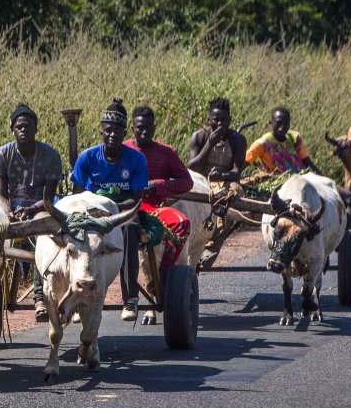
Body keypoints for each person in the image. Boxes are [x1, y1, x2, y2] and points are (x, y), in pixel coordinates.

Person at [70, 97, 149, 320]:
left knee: (131, 230)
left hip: (122, 214)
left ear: (125, 134)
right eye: (108, 130)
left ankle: (130, 300)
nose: (113, 135)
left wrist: (110, 211)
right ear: (101, 132)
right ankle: (75, 300)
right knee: (73, 238)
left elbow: (135, 200)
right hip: (88, 213)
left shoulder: (137, 159)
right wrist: (93, 213)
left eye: (118, 131)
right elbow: (77, 196)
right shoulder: (87, 157)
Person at [0, 103, 63, 322]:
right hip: (12, 208)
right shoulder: (2, 154)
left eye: (28, 126)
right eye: (19, 126)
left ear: (36, 129)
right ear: (12, 129)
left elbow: (49, 199)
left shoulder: (50, 156)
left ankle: (39, 297)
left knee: (41, 236)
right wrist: (9, 212)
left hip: (40, 207)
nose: (23, 130)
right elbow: (1, 195)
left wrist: (31, 209)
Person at [124, 106, 193, 321]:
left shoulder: (166, 152)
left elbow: (186, 182)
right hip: (126, 209)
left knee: (182, 223)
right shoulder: (122, 150)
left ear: (154, 127)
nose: (144, 133)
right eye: (140, 128)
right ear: (132, 128)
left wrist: (159, 185)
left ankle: (162, 275)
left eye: (148, 128)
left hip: (155, 209)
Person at [187, 97, 247, 269]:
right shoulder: (199, 137)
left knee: (229, 203)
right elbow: (192, 167)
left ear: (229, 120)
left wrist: (221, 175)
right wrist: (210, 143)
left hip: (227, 183)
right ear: (209, 119)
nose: (220, 123)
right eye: (216, 120)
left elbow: (236, 172)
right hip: (201, 181)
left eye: (223, 120)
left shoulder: (238, 140)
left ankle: (209, 250)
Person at [245, 106, 321, 175]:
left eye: (286, 123)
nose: (282, 127)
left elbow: (306, 161)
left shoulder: (295, 138)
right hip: (277, 182)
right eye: (278, 123)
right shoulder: (262, 143)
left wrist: (321, 176)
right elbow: (245, 162)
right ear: (271, 122)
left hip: (300, 178)